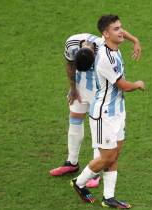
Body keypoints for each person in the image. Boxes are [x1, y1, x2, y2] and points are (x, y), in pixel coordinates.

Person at [50, 28, 141, 189]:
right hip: (80, 84)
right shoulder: (71, 43)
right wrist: (73, 87)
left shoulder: (104, 47)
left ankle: (95, 173)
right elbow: (69, 64)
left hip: (100, 90)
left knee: (98, 129)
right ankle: (72, 162)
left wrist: (134, 40)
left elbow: (116, 29)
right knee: (75, 117)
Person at [70, 15, 145, 208]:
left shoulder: (107, 42)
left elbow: (121, 35)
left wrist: (135, 40)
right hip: (104, 114)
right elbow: (123, 85)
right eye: (116, 29)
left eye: (121, 27)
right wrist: (137, 84)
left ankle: (108, 198)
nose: (121, 32)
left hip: (118, 110)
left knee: (115, 153)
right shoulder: (105, 59)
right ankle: (78, 183)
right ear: (105, 34)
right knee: (106, 157)